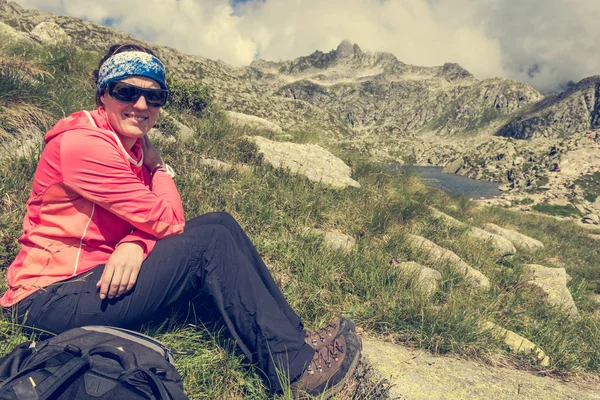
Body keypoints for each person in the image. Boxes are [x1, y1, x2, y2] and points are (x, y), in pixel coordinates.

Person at [0, 43, 361, 397]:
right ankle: (294, 370)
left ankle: (292, 338)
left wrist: (134, 243)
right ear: (103, 95)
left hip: (95, 276)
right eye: (127, 91)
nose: (141, 105)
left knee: (220, 222)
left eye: (154, 97)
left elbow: (141, 220)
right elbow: (167, 219)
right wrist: (160, 169)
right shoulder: (85, 146)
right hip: (47, 299)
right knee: (209, 244)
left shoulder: (127, 144)